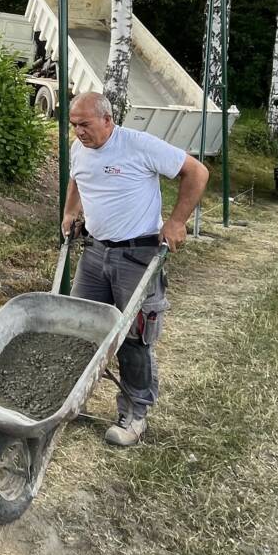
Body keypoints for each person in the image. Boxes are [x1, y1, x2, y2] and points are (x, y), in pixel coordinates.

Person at [61, 92, 209, 448]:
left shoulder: (138, 145)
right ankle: (72, 400)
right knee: (80, 327)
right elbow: (77, 178)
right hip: (95, 255)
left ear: (108, 120)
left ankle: (134, 413)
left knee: (133, 339)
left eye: (85, 124)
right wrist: (70, 212)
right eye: (74, 125)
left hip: (137, 256)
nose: (79, 131)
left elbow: (197, 172)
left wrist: (176, 221)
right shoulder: (79, 149)